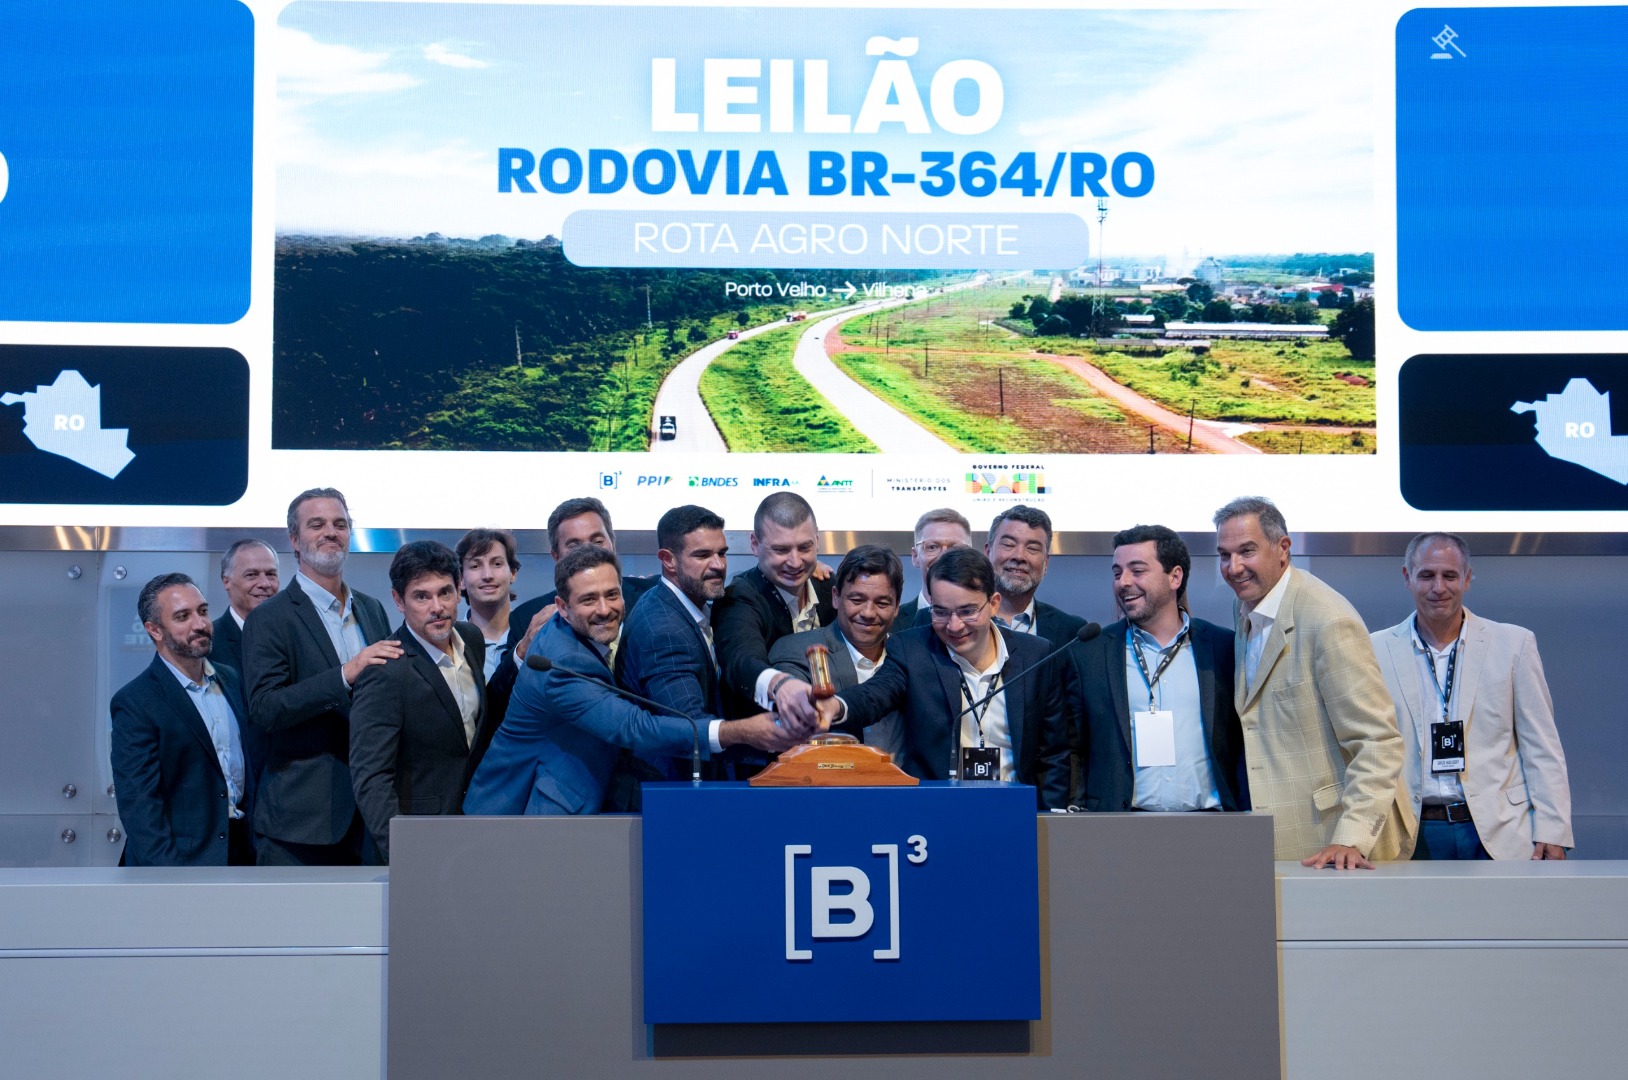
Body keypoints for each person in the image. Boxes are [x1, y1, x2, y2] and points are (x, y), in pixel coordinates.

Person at [465, 545, 804, 814]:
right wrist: (741, 731)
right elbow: (634, 727)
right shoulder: (561, 664)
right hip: (519, 816)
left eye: (612, 594)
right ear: (562, 607)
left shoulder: (586, 629)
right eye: (588, 599)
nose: (604, 609)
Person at [1213, 496, 1413, 868]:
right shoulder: (1245, 606)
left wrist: (1350, 840)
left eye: (1246, 551)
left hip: (1336, 844)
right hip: (1280, 837)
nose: (1233, 567)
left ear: (1283, 548)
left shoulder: (1328, 620)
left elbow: (1378, 742)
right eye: (1224, 555)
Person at [1371, 532, 1572, 860]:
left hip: (1500, 831)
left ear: (1467, 578)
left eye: (1450, 576)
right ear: (1407, 577)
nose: (1439, 587)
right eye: (1427, 575)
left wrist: (1553, 829)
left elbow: (1541, 746)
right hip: (1410, 833)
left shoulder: (1513, 645)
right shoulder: (1375, 650)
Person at [824, 547, 1070, 809]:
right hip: (937, 812)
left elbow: (1053, 754)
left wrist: (1050, 819)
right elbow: (875, 694)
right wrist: (835, 706)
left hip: (1016, 811)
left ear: (994, 604)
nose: (954, 626)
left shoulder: (1036, 655)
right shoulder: (912, 649)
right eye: (941, 612)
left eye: (967, 611)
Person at [242, 487, 395, 865]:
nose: (331, 532)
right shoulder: (269, 618)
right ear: (294, 539)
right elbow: (265, 708)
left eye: (340, 524)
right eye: (317, 525)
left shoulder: (372, 609)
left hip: (371, 816)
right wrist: (344, 675)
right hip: (300, 823)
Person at [472, 498, 657, 777]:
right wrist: (522, 651)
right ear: (556, 557)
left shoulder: (651, 599)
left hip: (654, 765)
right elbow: (497, 710)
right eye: (574, 545)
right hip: (574, 773)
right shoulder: (528, 617)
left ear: (613, 544)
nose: (588, 552)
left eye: (597, 541)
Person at [1067, 525, 1247, 812]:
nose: (1123, 582)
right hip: (1119, 824)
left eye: (1137, 571)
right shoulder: (1089, 653)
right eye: (1117, 573)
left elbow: (1243, 743)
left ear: (1175, 576)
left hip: (1211, 822)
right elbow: (1073, 749)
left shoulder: (1224, 648)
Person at [349, 541, 485, 862]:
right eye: (422, 596)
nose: (437, 607)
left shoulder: (472, 639)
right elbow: (371, 779)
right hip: (420, 836)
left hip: (477, 824)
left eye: (445, 592)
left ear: (459, 588)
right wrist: (403, 854)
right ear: (398, 600)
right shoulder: (385, 671)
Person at [111, 573, 256, 865]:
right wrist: (170, 878)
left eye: (203, 611)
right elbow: (140, 804)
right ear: (154, 630)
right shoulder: (136, 701)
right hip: (181, 861)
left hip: (243, 851)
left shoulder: (230, 679)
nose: (200, 624)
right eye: (182, 616)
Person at [618, 505, 737, 780]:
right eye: (703, 555)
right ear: (668, 560)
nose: (718, 565)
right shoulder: (664, 631)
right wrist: (763, 735)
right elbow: (690, 728)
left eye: (721, 553)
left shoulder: (682, 602)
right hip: (668, 790)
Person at [768, 544, 906, 759]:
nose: (868, 613)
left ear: (897, 606)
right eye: (857, 600)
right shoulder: (796, 652)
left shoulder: (910, 654)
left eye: (882, 603)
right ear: (836, 597)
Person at [714, 491, 834, 722]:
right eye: (781, 550)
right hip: (768, 737)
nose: (795, 562)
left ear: (817, 541)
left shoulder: (830, 586)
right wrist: (780, 685)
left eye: (804, 548)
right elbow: (742, 661)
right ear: (755, 544)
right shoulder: (738, 598)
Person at [986, 505, 1087, 644]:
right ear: (988, 553)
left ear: (1046, 563)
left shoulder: (1072, 632)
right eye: (1009, 544)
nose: (1019, 556)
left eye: (1032, 548)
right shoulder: (961, 619)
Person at [455, 528, 520, 682]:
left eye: (496, 564)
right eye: (475, 566)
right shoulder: (450, 642)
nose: (487, 575)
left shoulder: (532, 633)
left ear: (512, 573)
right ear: (461, 580)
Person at [212, 538, 280, 677]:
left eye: (270, 574)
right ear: (226, 582)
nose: (264, 583)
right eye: (251, 575)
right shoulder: (209, 643)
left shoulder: (292, 634)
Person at [897, 508, 972, 629]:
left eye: (954, 548)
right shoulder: (890, 623)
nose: (943, 556)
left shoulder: (987, 622)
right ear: (915, 556)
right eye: (932, 547)